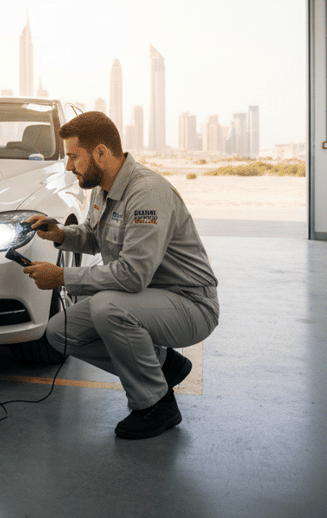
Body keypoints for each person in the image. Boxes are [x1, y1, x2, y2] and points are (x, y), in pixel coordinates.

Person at [23, 111, 219, 439]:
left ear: (100, 153)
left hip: (189, 304)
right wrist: (59, 233)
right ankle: (163, 366)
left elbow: (132, 276)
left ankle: (156, 406)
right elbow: (92, 236)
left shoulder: (147, 193)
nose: (69, 166)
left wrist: (62, 277)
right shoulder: (102, 188)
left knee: (107, 307)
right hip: (144, 301)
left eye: (73, 156)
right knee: (60, 332)